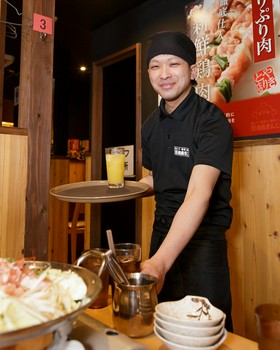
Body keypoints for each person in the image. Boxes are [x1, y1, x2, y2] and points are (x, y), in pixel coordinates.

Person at [140, 31, 234, 331]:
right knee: (164, 327)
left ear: (192, 71)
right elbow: (156, 178)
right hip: (161, 234)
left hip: (203, 242)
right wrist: (119, 189)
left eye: (173, 64)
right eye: (155, 66)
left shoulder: (211, 121)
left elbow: (197, 194)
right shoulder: (149, 126)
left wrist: (159, 263)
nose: (164, 74)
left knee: (207, 330)